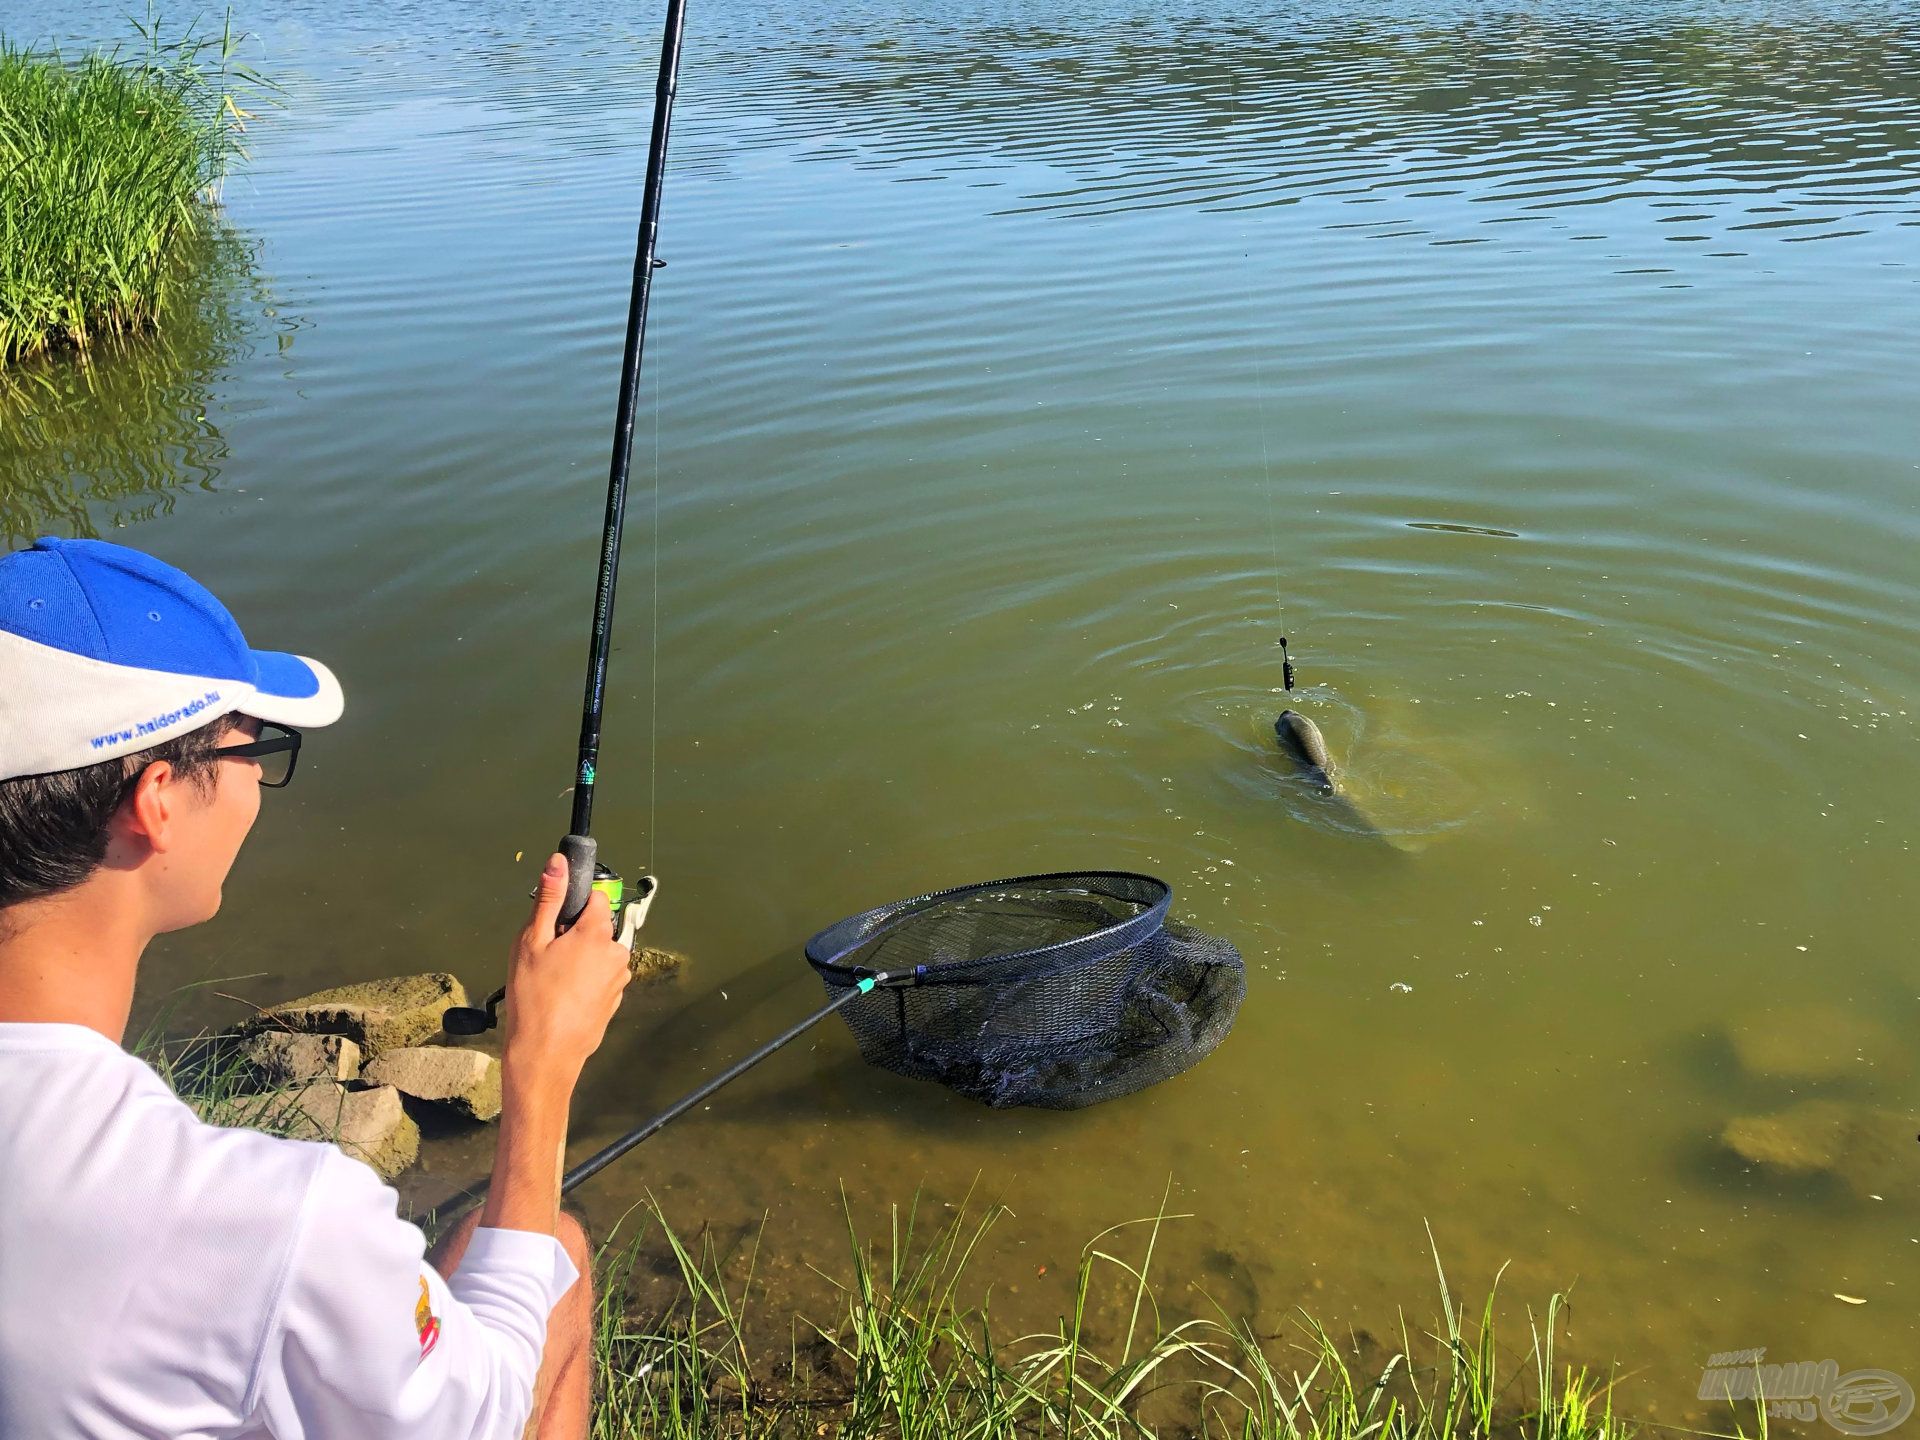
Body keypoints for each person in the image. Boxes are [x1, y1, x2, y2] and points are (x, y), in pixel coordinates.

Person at [0, 536, 636, 1439]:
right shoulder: (266, 1223)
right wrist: (543, 1067)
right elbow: (489, 1411)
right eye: (249, 745)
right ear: (158, 802)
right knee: (556, 1262)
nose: (258, 774)